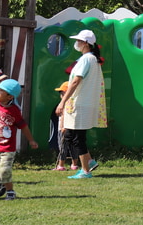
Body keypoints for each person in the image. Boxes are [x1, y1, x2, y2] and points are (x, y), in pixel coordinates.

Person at [56, 29, 107, 179]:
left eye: (79, 41)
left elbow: (76, 81)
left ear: (86, 43)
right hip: (84, 103)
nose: (76, 43)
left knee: (77, 138)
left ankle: (85, 171)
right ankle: (89, 161)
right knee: (72, 135)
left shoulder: (86, 59)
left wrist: (63, 101)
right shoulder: (92, 59)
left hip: (80, 104)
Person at [50, 82, 79, 171]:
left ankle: (61, 165)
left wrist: (63, 127)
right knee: (73, 147)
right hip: (72, 128)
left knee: (62, 147)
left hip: (63, 129)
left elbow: (63, 117)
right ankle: (74, 164)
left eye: (62, 93)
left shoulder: (64, 104)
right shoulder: (73, 103)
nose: (61, 95)